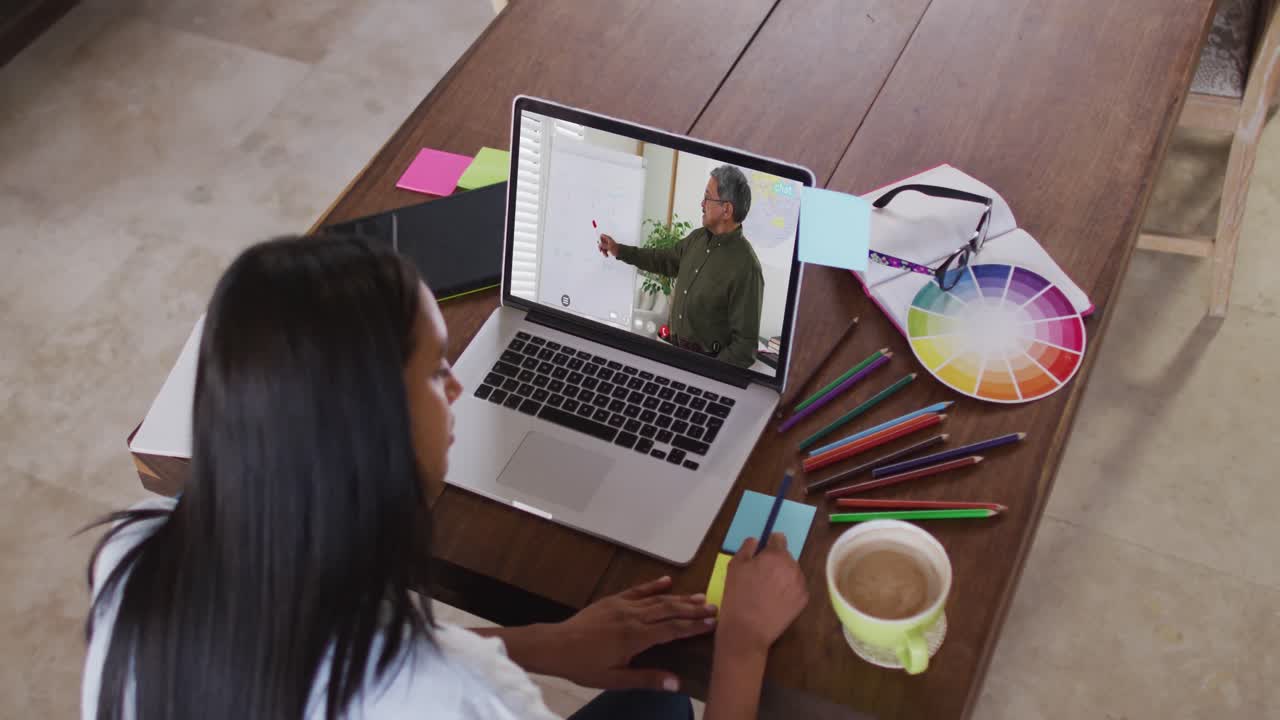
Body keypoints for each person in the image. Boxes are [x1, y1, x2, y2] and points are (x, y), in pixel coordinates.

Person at [82, 234, 808, 720]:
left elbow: (331, 657)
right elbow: (424, 682)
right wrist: (742, 648)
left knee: (654, 702)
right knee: (668, 701)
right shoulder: (456, 700)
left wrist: (543, 644)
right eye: (435, 371)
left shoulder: (134, 556)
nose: (459, 384)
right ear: (374, 432)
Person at [598, 165, 764, 369]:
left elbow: (744, 348)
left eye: (707, 197)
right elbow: (661, 259)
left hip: (703, 368)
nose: (702, 204)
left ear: (726, 210)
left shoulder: (747, 267)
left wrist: (709, 373)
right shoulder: (696, 239)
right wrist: (618, 250)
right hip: (673, 354)